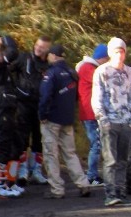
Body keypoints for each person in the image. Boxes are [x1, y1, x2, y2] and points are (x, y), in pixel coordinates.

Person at [38, 44, 92, 199]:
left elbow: (45, 96)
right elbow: (75, 96)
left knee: (51, 153)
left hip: (52, 120)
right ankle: (83, 183)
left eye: (49, 55)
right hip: (67, 119)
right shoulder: (71, 72)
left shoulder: (51, 74)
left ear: (54, 56)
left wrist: (42, 115)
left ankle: (57, 189)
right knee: (70, 153)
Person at [92, 37, 131, 207]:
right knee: (110, 160)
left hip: (126, 121)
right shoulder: (102, 71)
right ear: (111, 53)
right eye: (116, 51)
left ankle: (122, 193)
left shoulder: (130, 72)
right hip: (108, 121)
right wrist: (102, 118)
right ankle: (110, 194)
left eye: (122, 51)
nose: (119, 54)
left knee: (123, 159)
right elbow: (96, 97)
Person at [10, 35, 51, 185]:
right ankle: (22, 170)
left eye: (42, 47)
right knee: (22, 138)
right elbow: (8, 70)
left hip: (40, 106)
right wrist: (13, 91)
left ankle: (37, 170)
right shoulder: (24, 58)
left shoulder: (48, 64)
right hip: (23, 104)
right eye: (37, 45)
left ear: (47, 50)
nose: (38, 48)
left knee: (39, 139)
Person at [0, 33, 26, 198]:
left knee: (17, 145)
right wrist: (7, 39)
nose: (0, 42)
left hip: (9, 105)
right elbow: (12, 53)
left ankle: (9, 182)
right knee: (3, 145)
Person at [76, 43, 109, 185]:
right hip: (90, 112)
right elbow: (104, 83)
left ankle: (92, 174)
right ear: (103, 58)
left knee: (96, 143)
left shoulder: (88, 67)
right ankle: (92, 176)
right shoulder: (89, 69)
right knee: (95, 144)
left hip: (90, 111)